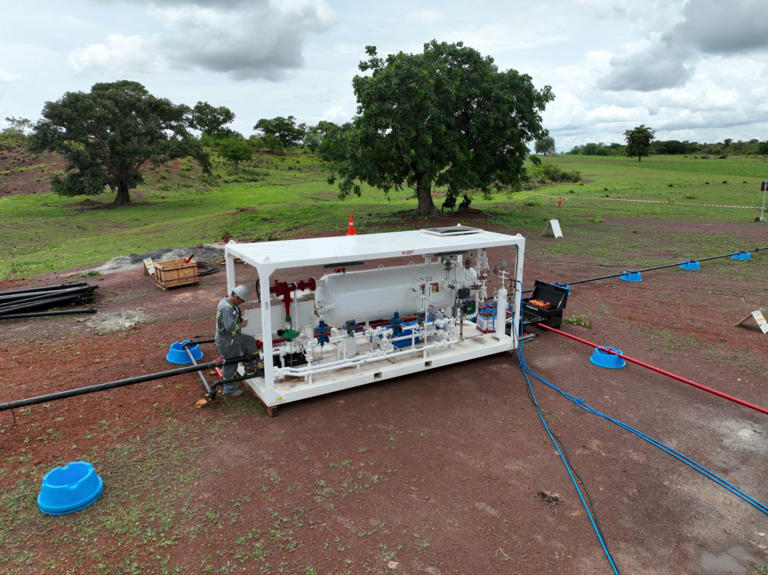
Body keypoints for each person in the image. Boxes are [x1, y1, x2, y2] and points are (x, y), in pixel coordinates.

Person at [215, 284, 259, 397]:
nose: (241, 303)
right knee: (231, 362)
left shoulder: (229, 303)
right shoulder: (226, 308)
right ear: (237, 297)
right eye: (242, 301)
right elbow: (230, 327)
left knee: (249, 341)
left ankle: (251, 364)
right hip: (227, 340)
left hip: (232, 337)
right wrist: (241, 324)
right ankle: (229, 389)